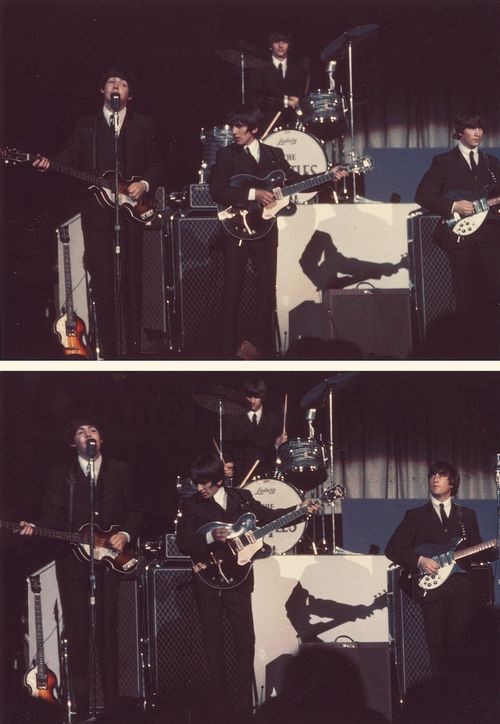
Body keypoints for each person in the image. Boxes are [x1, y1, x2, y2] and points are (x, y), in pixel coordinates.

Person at [17, 418, 144, 721]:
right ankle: (82, 707)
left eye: (94, 431)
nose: (89, 435)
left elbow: (137, 509)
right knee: (77, 632)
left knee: (108, 630)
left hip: (109, 561)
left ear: (102, 439)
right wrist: (36, 528)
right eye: (81, 432)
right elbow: (52, 515)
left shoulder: (120, 470)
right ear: (72, 443)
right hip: (72, 564)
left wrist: (124, 534)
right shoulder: (62, 475)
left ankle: (112, 708)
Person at [176, 453, 319, 721]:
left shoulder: (242, 499)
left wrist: (301, 511)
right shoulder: (191, 505)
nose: (199, 489)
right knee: (213, 643)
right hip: (206, 578)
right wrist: (209, 536)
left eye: (205, 483)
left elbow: (271, 516)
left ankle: (242, 708)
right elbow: (183, 542)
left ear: (219, 480)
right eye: (196, 483)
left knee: (245, 640)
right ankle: (218, 709)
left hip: (239, 580)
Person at [33, 66, 163, 359]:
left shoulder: (144, 124)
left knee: (132, 280)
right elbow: (70, 155)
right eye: (111, 82)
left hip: (131, 214)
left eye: (123, 83)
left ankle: (133, 353)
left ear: (130, 94)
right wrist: (49, 163)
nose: (116, 87)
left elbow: (157, 165)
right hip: (97, 215)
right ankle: (110, 356)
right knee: (103, 283)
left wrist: (143, 184)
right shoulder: (86, 126)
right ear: (102, 91)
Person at [209, 103, 347, 358]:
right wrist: (253, 193)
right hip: (236, 228)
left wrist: (327, 176)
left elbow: (295, 182)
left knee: (265, 288)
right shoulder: (226, 155)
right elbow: (217, 190)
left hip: (266, 230)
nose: (234, 131)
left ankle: (254, 346)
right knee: (232, 290)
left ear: (255, 129)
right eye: (233, 126)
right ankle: (226, 352)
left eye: (239, 126)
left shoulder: (274, 154)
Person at [385, 461, 488, 682]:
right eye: (432, 475)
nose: (435, 479)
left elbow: (477, 550)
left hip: (461, 589)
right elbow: (393, 549)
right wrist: (419, 559)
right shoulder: (415, 515)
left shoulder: (466, 515)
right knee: (437, 648)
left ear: (452, 482)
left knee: (462, 646)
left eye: (441, 475)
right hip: (432, 592)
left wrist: (492, 549)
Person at [415, 109, 500, 358]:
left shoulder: (492, 163)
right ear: (459, 132)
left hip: (491, 238)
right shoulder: (443, 162)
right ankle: (466, 354)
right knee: (464, 294)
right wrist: (453, 206)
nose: (478, 133)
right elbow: (423, 195)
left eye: (481, 128)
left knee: (494, 293)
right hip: (461, 238)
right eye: (473, 128)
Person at [222, 377, 287, 484]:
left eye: (256, 397)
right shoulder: (233, 417)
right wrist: (227, 464)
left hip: (266, 478)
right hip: (240, 477)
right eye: (249, 397)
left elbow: (278, 455)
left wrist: (278, 444)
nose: (252, 401)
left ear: (262, 397)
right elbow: (226, 447)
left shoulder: (273, 419)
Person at [248, 30, 306, 130]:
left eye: (284, 42)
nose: (280, 45)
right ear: (271, 46)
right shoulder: (259, 68)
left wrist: (298, 100)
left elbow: (301, 96)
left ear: (289, 46)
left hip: (291, 123)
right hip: (267, 123)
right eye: (276, 41)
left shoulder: (298, 70)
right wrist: (284, 102)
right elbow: (256, 99)